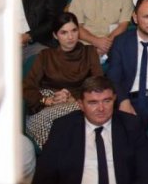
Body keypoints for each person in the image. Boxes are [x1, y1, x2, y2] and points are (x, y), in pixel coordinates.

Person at [32, 76, 148, 184]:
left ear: (114, 99)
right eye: (93, 103)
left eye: (107, 101)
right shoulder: (63, 127)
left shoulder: (131, 125)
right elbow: (44, 174)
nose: (101, 108)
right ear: (81, 105)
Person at [22, 12, 104, 148]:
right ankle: (57, 155)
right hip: (45, 104)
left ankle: (63, 154)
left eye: (74, 31)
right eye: (64, 32)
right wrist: (46, 100)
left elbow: (98, 85)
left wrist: (73, 98)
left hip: (78, 104)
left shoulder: (89, 52)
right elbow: (27, 86)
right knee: (47, 121)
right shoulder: (45, 56)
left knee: (69, 119)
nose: (70, 37)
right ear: (55, 35)